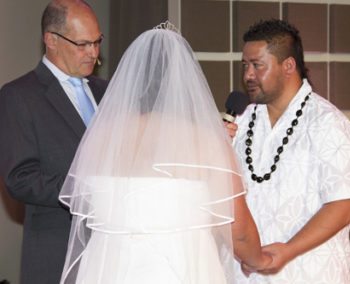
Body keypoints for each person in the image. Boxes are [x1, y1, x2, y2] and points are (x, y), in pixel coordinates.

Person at [58, 23, 272, 283]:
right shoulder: (205, 140)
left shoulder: (101, 138)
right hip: (180, 269)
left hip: (108, 271)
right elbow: (237, 230)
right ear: (186, 82)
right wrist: (258, 260)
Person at [227, 19, 350, 283]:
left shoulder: (328, 123)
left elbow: (343, 206)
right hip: (245, 276)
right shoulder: (242, 120)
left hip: (305, 273)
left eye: (257, 65)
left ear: (288, 66)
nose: (248, 75)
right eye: (245, 65)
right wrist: (214, 148)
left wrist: (288, 250)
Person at [0, 1, 107, 283]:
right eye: (83, 44)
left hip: (112, 251)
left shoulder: (109, 91)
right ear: (51, 40)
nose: (93, 53)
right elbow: (19, 178)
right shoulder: (19, 96)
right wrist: (82, 190)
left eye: (97, 42)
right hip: (56, 254)